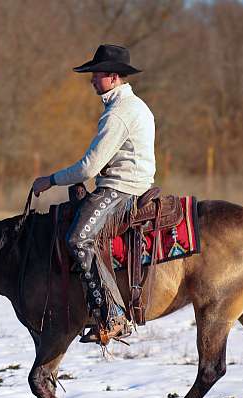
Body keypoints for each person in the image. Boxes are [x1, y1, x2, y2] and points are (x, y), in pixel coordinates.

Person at [32, 44, 156, 345]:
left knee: (77, 238)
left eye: (96, 75)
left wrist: (51, 179)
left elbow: (89, 167)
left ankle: (114, 314)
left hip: (121, 188)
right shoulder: (129, 106)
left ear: (113, 77)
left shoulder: (119, 114)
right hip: (127, 183)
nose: (91, 80)